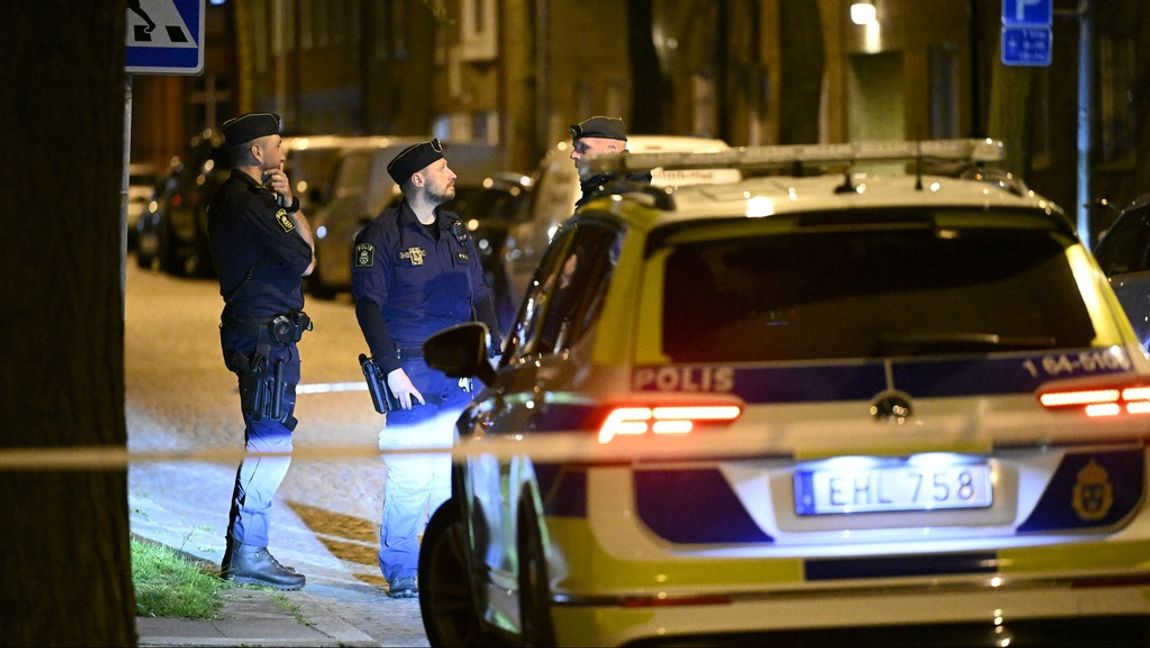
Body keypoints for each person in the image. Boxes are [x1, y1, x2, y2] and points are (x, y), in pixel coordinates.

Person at [351, 138, 502, 598]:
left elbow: (481, 295)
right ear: (418, 180)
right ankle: (399, 568)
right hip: (411, 372)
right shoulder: (381, 237)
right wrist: (390, 367)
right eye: (443, 167)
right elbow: (368, 306)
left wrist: (490, 349)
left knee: (449, 476)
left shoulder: (456, 232)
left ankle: (445, 564)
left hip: (461, 374)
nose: (452, 173)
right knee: (411, 474)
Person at [208, 112, 316, 590]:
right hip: (264, 339)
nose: (283, 151)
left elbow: (305, 258)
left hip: (264, 334)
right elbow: (306, 258)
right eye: (277, 143)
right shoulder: (248, 203)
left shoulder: (250, 200)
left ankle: (245, 549)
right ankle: (249, 551)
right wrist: (285, 209)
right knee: (270, 443)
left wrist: (289, 201)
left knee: (269, 439)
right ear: (257, 152)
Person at [569, 115, 650, 207]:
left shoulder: (626, 199)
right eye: (576, 148)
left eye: (583, 148)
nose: (573, 155)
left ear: (611, 151)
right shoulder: (599, 191)